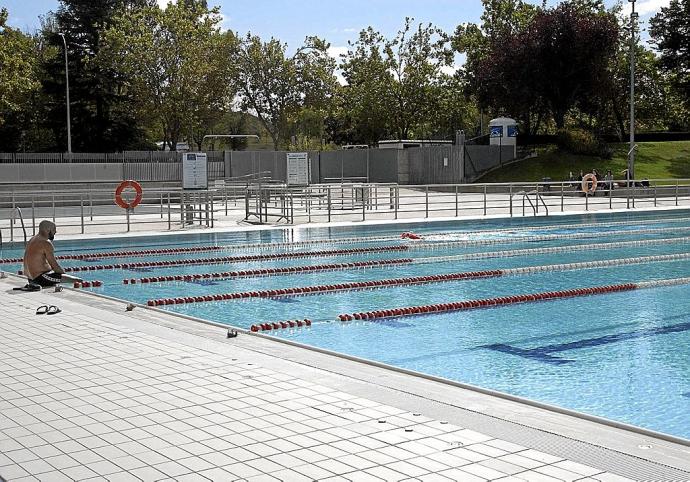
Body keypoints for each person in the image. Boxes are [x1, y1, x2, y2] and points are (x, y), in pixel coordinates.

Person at [23, 220, 79, 287]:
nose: (55, 232)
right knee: (77, 281)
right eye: (54, 229)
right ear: (48, 230)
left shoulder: (33, 239)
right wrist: (63, 275)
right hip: (41, 278)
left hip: (30, 279)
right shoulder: (46, 242)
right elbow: (55, 266)